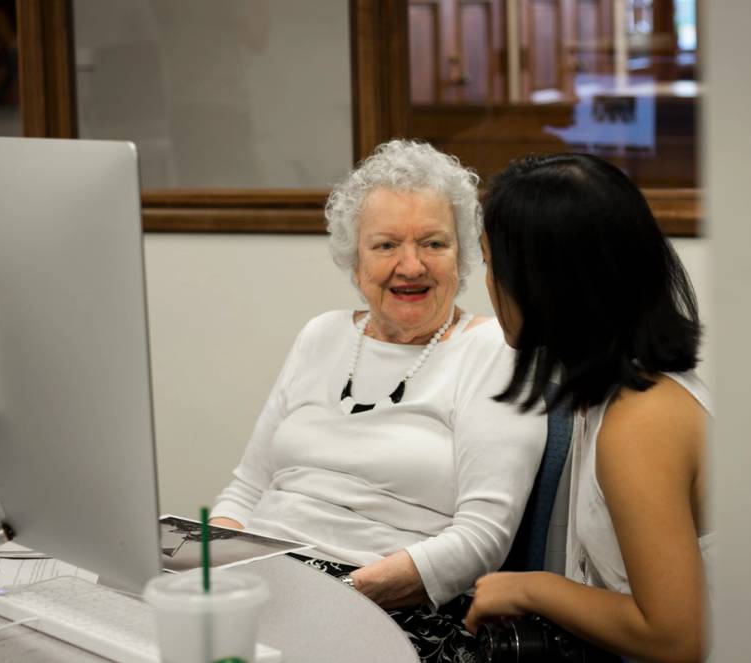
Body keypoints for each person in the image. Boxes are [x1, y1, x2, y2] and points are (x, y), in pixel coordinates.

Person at [211, 140, 546, 663]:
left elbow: (483, 537)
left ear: (463, 253)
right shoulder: (320, 335)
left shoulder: (492, 351)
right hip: (261, 578)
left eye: (433, 243)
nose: (410, 266)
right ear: (354, 256)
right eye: (386, 245)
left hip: (385, 602)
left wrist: (346, 592)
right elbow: (247, 487)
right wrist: (207, 559)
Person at [464, 153, 713, 663]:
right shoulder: (612, 392)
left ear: (544, 283)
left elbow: (676, 639)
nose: (487, 284)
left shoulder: (641, 421)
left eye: (491, 263)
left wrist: (529, 589)